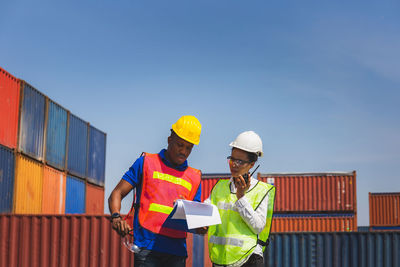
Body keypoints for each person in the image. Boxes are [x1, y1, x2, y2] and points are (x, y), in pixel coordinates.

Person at [108, 115, 203, 267]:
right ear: (169, 139)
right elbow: (116, 194)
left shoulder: (195, 177)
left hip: (177, 253)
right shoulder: (146, 163)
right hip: (147, 250)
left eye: (189, 147)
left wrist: (201, 227)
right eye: (180, 144)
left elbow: (195, 219)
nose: (183, 151)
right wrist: (116, 217)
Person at [205, 131, 275, 267]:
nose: (234, 165)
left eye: (240, 161)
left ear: (252, 164)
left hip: (249, 260)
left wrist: (241, 197)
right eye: (232, 159)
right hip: (221, 260)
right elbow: (206, 212)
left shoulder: (261, 190)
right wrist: (185, 205)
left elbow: (258, 227)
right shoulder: (219, 187)